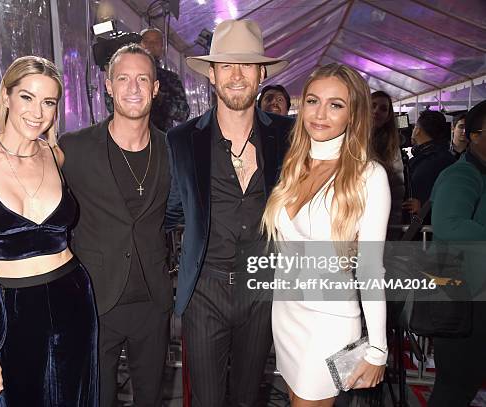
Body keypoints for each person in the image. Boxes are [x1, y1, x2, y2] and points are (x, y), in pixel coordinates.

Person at [0, 56, 98, 406]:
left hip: (74, 297)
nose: (37, 112)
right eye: (27, 97)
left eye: (48, 102)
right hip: (12, 311)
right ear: (6, 97)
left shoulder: (54, 156)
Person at [165, 19, 292, 407]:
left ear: (261, 73)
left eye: (247, 65)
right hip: (205, 288)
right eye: (227, 66)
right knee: (206, 400)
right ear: (213, 75)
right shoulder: (182, 140)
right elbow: (169, 209)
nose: (237, 75)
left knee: (248, 396)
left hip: (264, 288)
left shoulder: (288, 136)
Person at [262, 63, 389, 405]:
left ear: (354, 115)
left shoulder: (368, 176)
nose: (320, 114)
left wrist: (377, 348)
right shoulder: (295, 163)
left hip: (328, 322)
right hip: (285, 313)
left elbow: (371, 268)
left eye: (336, 105)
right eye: (313, 101)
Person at [59, 44, 172, 407]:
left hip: (153, 302)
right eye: (123, 78)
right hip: (95, 299)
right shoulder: (73, 148)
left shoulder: (173, 150)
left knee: (150, 399)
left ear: (156, 88)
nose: (133, 88)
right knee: (97, 399)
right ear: (108, 85)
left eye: (143, 79)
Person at [428, 100, 486, 407]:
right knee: (455, 385)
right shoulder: (462, 175)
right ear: (474, 135)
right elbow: (449, 225)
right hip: (463, 300)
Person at [402, 110, 455, 220]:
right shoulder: (443, 157)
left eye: (414, 127)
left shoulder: (435, 159)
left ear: (417, 130)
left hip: (423, 227)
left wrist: (424, 207)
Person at [371, 90, 405, 225]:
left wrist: (393, 226)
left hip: (380, 218)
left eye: (383, 109)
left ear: (388, 116)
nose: (376, 111)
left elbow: (396, 190)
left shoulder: (391, 146)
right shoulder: (347, 139)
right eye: (372, 105)